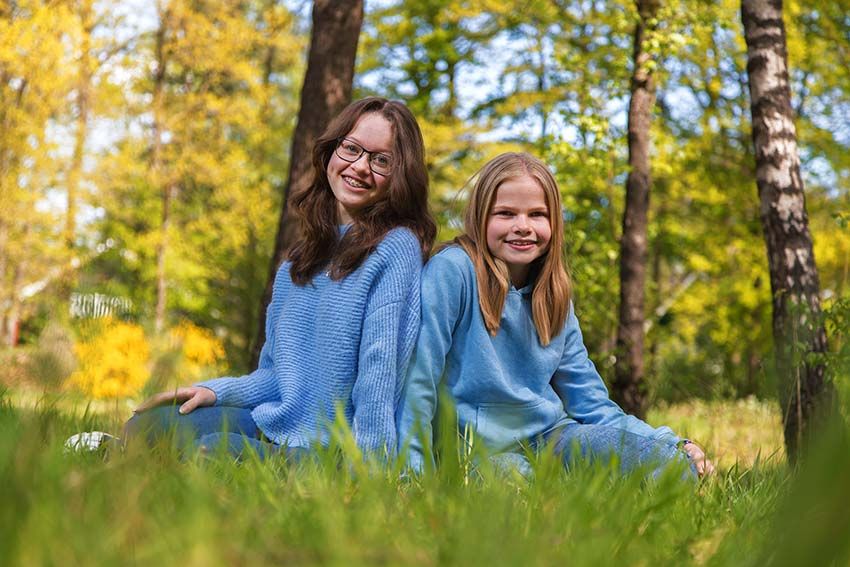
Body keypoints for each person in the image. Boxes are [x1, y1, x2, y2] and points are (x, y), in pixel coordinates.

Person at [121, 97, 436, 459]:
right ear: (331, 152)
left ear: (400, 175)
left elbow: (379, 373)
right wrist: (215, 392)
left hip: (334, 449)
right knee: (145, 426)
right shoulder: (299, 263)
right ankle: (121, 454)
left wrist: (367, 469)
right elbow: (275, 376)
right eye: (351, 148)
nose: (361, 166)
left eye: (381, 160)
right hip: (276, 424)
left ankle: (150, 459)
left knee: (215, 451)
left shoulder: (396, 247)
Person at [397, 152, 713, 478]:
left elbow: (590, 401)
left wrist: (672, 443)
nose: (523, 227)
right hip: (474, 450)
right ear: (480, 216)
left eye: (537, 214)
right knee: (515, 480)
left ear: (554, 223)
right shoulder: (453, 271)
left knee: (668, 464)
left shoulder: (553, 292)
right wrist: (412, 474)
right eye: (505, 213)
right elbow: (419, 380)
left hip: (551, 439)